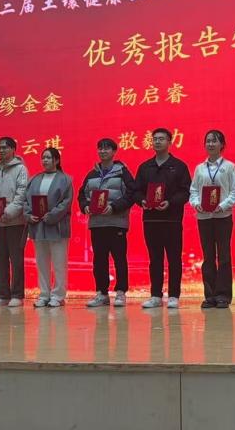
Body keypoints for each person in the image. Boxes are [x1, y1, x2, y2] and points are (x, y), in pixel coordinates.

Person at [135, 128, 191, 309]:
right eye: (155, 139)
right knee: (155, 259)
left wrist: (170, 202)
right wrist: (142, 201)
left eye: (161, 139)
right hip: (151, 220)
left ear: (169, 142)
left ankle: (174, 295)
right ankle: (155, 295)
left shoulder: (179, 166)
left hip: (172, 220)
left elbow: (186, 192)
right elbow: (136, 191)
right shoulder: (145, 167)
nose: (157, 142)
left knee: (174, 258)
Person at [79, 138, 136, 308]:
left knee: (119, 259)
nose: (103, 151)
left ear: (114, 151)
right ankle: (101, 293)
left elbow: (131, 194)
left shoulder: (123, 172)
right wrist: (85, 206)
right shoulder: (92, 174)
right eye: (100, 148)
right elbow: (82, 195)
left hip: (116, 222)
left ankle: (121, 292)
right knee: (99, 260)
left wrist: (114, 207)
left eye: (107, 149)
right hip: (97, 223)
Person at [189, 130, 235, 309]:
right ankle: (210, 295)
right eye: (208, 141)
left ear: (222, 145)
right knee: (208, 256)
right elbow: (193, 190)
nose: (210, 144)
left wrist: (222, 206)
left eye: (214, 141)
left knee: (224, 256)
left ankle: (223, 295)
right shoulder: (199, 168)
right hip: (204, 217)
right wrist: (196, 204)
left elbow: (234, 192)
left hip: (223, 216)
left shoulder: (229, 166)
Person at [24, 147, 73, 307]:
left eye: (48, 157)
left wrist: (51, 216)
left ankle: (58, 295)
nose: (44, 160)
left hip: (57, 227)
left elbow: (66, 203)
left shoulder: (65, 179)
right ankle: (44, 294)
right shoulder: (34, 179)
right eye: (43, 157)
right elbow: (25, 201)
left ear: (56, 160)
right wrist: (28, 215)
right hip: (38, 227)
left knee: (59, 263)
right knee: (41, 262)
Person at [0, 136, 30, 307]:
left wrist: (8, 212)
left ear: (13, 149)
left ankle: (17, 295)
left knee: (16, 260)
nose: (2, 150)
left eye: (5, 147)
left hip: (15, 222)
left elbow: (21, 194)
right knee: (0, 259)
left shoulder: (21, 169)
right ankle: (2, 294)